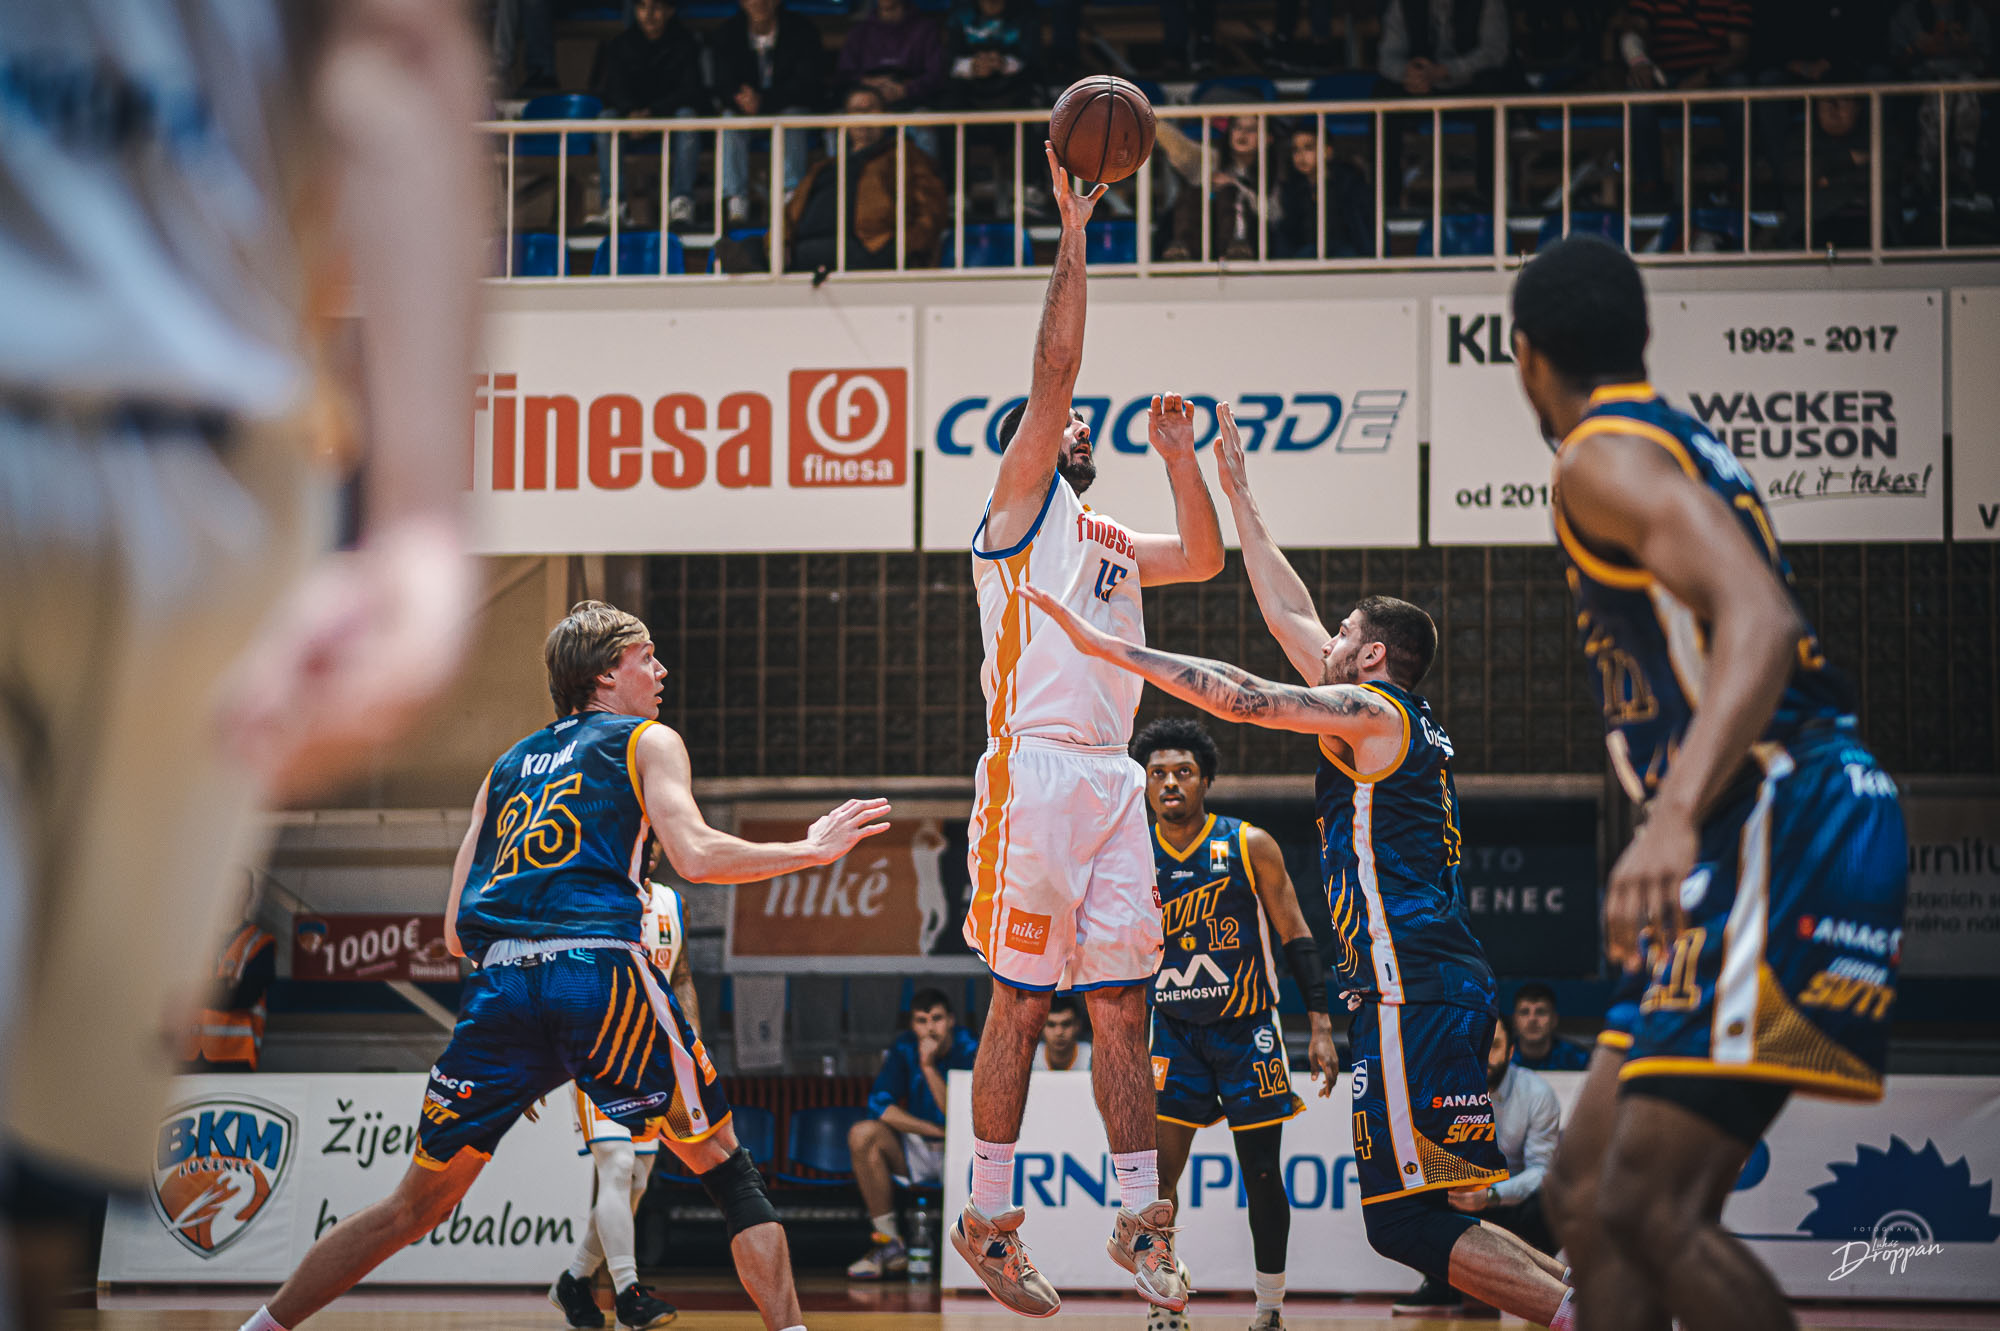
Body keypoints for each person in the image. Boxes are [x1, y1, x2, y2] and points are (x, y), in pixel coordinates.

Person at [0, 1, 481, 1320]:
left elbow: (392, 45)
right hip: (193, 469)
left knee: (42, 1193)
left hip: (201, 473)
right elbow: (402, 48)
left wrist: (419, 526)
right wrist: (424, 520)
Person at [1019, 406, 1578, 1328]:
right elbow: (1287, 612)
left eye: (1344, 632)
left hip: (1407, 986)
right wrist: (1237, 493)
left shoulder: (1373, 713)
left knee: (1404, 1224)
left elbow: (1249, 697)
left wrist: (1107, 647)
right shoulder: (1391, 717)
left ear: (1373, 655)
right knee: (1441, 1207)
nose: (1328, 638)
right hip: (1434, 980)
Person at [236, 601, 892, 1331]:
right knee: (728, 1170)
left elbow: (453, 933)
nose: (661, 670)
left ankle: (259, 1328)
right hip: (597, 972)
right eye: (647, 656)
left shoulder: (505, 768)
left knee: (411, 1208)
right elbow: (697, 856)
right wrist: (810, 851)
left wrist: (532, 1036)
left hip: (502, 989)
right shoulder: (648, 740)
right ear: (607, 673)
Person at [1509, 234, 1909, 1331]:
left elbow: (1761, 620)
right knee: (1586, 1195)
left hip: (1779, 805)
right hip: (1753, 823)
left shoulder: (1599, 455)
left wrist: (1672, 813)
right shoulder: (1674, 440)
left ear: (1525, 355)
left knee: (1650, 1209)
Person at [950, 142, 1226, 1320]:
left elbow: (1201, 556)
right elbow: (1054, 368)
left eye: (1070, 426)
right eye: (1051, 422)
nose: (1069, 427)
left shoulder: (1108, 536)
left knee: (1121, 1001)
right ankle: (987, 1217)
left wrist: (1179, 463)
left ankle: (1138, 1222)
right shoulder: (1015, 510)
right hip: (1031, 772)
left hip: (1110, 779)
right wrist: (1073, 229)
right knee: (1019, 1001)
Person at [1135, 717, 1339, 1331]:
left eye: (1184, 772)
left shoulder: (1249, 844)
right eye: (1158, 774)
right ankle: (1164, 1301)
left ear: (1206, 781)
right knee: (1157, 1181)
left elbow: (1295, 933)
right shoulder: (1131, 851)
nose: (1170, 783)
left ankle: (1269, 1308)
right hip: (1173, 1031)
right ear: (1145, 785)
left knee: (1263, 1175)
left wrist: (1321, 1025)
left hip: (1247, 1031)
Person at [548, 862, 701, 1329]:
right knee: (615, 1164)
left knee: (635, 1181)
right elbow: (552, 980)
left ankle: (574, 1281)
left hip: (651, 1060)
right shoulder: (581, 899)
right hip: (596, 1053)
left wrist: (692, 1045)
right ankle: (629, 1294)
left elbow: (681, 978)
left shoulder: (673, 903)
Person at [1397, 1015, 1563, 1314]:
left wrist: (1492, 1194)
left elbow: (1542, 1170)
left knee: (1555, 1198)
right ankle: (1441, 1286)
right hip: (1458, 1199)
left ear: (1511, 1051)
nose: (1483, 1054)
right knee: (1404, 1195)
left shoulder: (1536, 1093)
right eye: (1476, 1044)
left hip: (1514, 1206)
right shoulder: (1439, 1087)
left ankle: (1542, 1286)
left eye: (1494, 1045)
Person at [846, 988, 980, 1279]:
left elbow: (958, 1114)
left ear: (951, 1020)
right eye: (922, 1020)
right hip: (919, 1146)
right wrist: (932, 1130)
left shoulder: (969, 1047)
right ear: (912, 1025)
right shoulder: (905, 1047)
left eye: (937, 1019)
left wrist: (928, 1067)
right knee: (863, 1134)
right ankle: (889, 1244)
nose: (930, 1028)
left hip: (963, 1150)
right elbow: (880, 1106)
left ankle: (975, 1258)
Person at [780, 86, 947, 273]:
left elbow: (931, 209)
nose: (864, 117)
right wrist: (780, 243)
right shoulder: (823, 168)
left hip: (872, 248)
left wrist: (900, 247)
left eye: (871, 109)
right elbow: (789, 213)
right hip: (806, 251)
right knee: (753, 252)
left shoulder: (907, 157)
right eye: (856, 110)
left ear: (886, 116)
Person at [591, 0, 711, 228]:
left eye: (656, 7)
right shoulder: (621, 43)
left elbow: (691, 91)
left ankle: (681, 201)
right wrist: (630, 113)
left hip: (669, 119)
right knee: (606, 119)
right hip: (632, 122)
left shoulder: (686, 43)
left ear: (669, 11)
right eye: (643, 7)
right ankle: (614, 204)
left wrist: (653, 113)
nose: (649, 14)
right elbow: (613, 90)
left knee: (688, 117)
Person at [710, 0, 829, 224]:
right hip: (744, 111)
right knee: (729, 121)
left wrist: (764, 101)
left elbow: (807, 84)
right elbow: (722, 83)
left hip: (786, 106)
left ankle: (790, 195)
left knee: (793, 117)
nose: (759, 2)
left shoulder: (801, 30)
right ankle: (736, 200)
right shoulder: (727, 33)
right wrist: (740, 98)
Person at [183, 875, 279, 1072]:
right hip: (187, 1055)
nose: (234, 897)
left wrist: (198, 991)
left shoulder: (260, 942)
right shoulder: (194, 939)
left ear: (250, 896)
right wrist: (224, 986)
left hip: (234, 1057)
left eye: (241, 891)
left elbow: (245, 996)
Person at [1509, 983, 1591, 1071]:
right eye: (1524, 1012)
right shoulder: (1503, 1056)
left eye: (1541, 1012)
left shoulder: (1578, 1059)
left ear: (1554, 1019)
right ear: (1514, 1020)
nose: (1532, 1019)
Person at [1036, 996, 1091, 1071]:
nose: (1059, 1032)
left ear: (1078, 1025)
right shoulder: (1029, 1058)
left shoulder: (1093, 1057)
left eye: (1066, 1024)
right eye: (1051, 1024)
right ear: (1041, 1027)